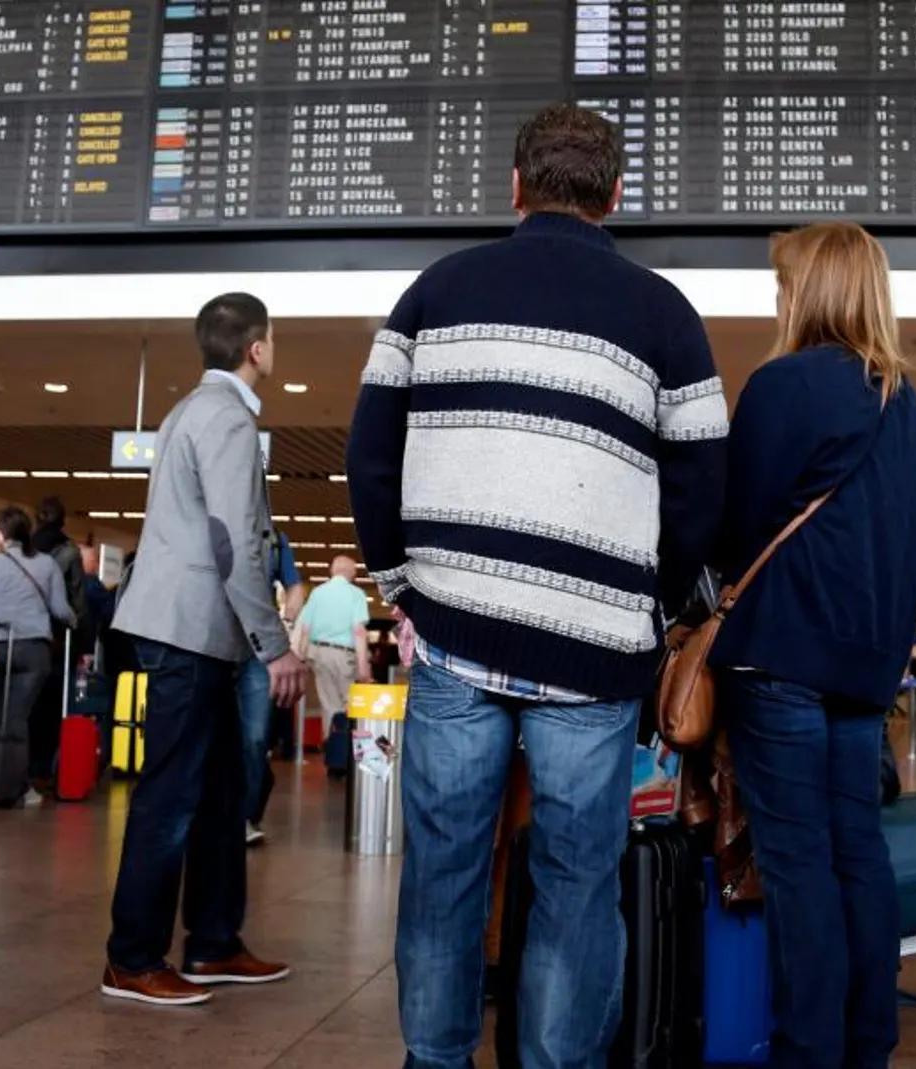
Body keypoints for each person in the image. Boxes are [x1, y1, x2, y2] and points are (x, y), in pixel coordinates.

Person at [346, 103, 727, 1069]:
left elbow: (369, 451)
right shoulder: (666, 315)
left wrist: (399, 581)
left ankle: (436, 1059)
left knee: (444, 874)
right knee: (574, 883)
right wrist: (653, 601)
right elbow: (700, 486)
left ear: (515, 187)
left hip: (454, 640)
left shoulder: (435, 291)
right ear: (616, 195)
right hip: (596, 661)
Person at [707, 221, 916, 1069]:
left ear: (811, 290)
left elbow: (737, 528)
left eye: (784, 281)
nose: (778, 295)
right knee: (857, 857)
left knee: (796, 868)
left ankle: (807, 1052)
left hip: (783, 659)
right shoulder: (903, 400)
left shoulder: (784, 383)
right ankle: (866, 1047)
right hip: (864, 665)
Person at [102, 293, 303, 1007]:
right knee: (171, 795)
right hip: (188, 630)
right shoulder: (223, 418)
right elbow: (231, 539)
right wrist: (275, 644)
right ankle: (132, 956)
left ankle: (214, 941)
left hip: (198, 631)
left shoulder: (193, 410)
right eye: (272, 340)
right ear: (257, 348)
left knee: (219, 793)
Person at [0, 506, 77, 808]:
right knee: (18, 719)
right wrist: (77, 621)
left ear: (0, 532)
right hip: (34, 651)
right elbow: (60, 610)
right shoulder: (48, 565)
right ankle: (19, 788)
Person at [239, 530, 304, 845]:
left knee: (255, 736)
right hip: (209, 643)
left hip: (257, 650)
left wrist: (287, 621)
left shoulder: (275, 538)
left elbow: (295, 585)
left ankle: (246, 816)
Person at [29, 497, 88, 791]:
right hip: (55, 639)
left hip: (22, 636)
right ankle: (43, 765)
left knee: (25, 700)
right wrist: (77, 631)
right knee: (52, 702)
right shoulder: (68, 552)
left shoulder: (22, 549)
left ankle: (22, 763)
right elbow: (77, 598)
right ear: (63, 521)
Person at [294, 556, 372, 719]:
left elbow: (306, 628)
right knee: (352, 705)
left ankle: (332, 742)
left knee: (329, 705)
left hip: (318, 655)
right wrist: (363, 665)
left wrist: (301, 657)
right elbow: (358, 631)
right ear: (352, 573)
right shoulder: (356, 594)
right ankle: (347, 742)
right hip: (344, 657)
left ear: (332, 571)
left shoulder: (318, 592)